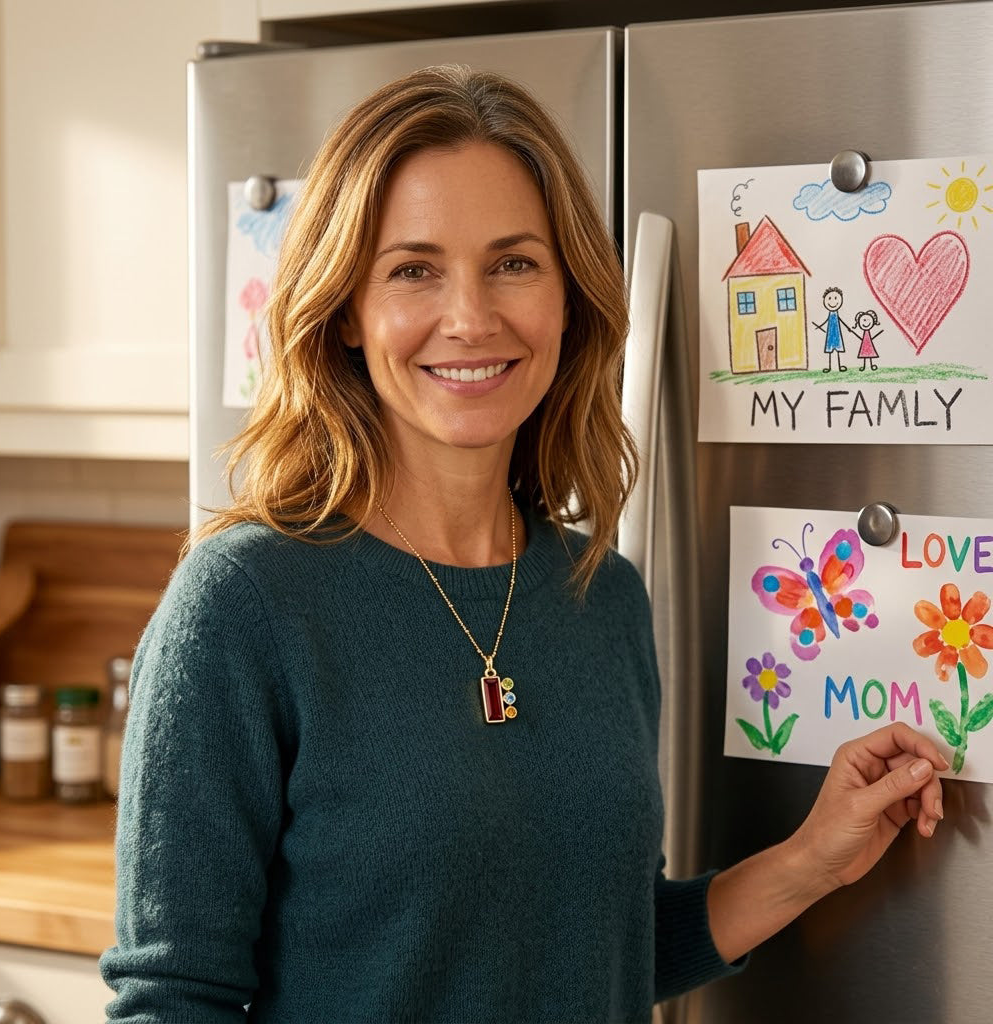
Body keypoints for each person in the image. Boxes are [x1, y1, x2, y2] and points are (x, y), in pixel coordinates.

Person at [99, 66, 947, 1022]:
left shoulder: (603, 598)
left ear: (568, 296)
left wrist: (808, 861)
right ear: (344, 309)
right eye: (413, 268)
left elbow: (594, 940)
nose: (472, 317)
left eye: (513, 263)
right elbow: (172, 1001)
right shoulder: (244, 606)